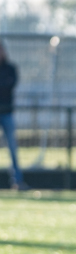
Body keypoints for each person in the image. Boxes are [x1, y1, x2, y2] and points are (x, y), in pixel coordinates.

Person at [0, 43, 25, 190]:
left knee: (12, 148)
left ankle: (17, 181)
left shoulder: (10, 68)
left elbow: (10, 85)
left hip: (7, 113)